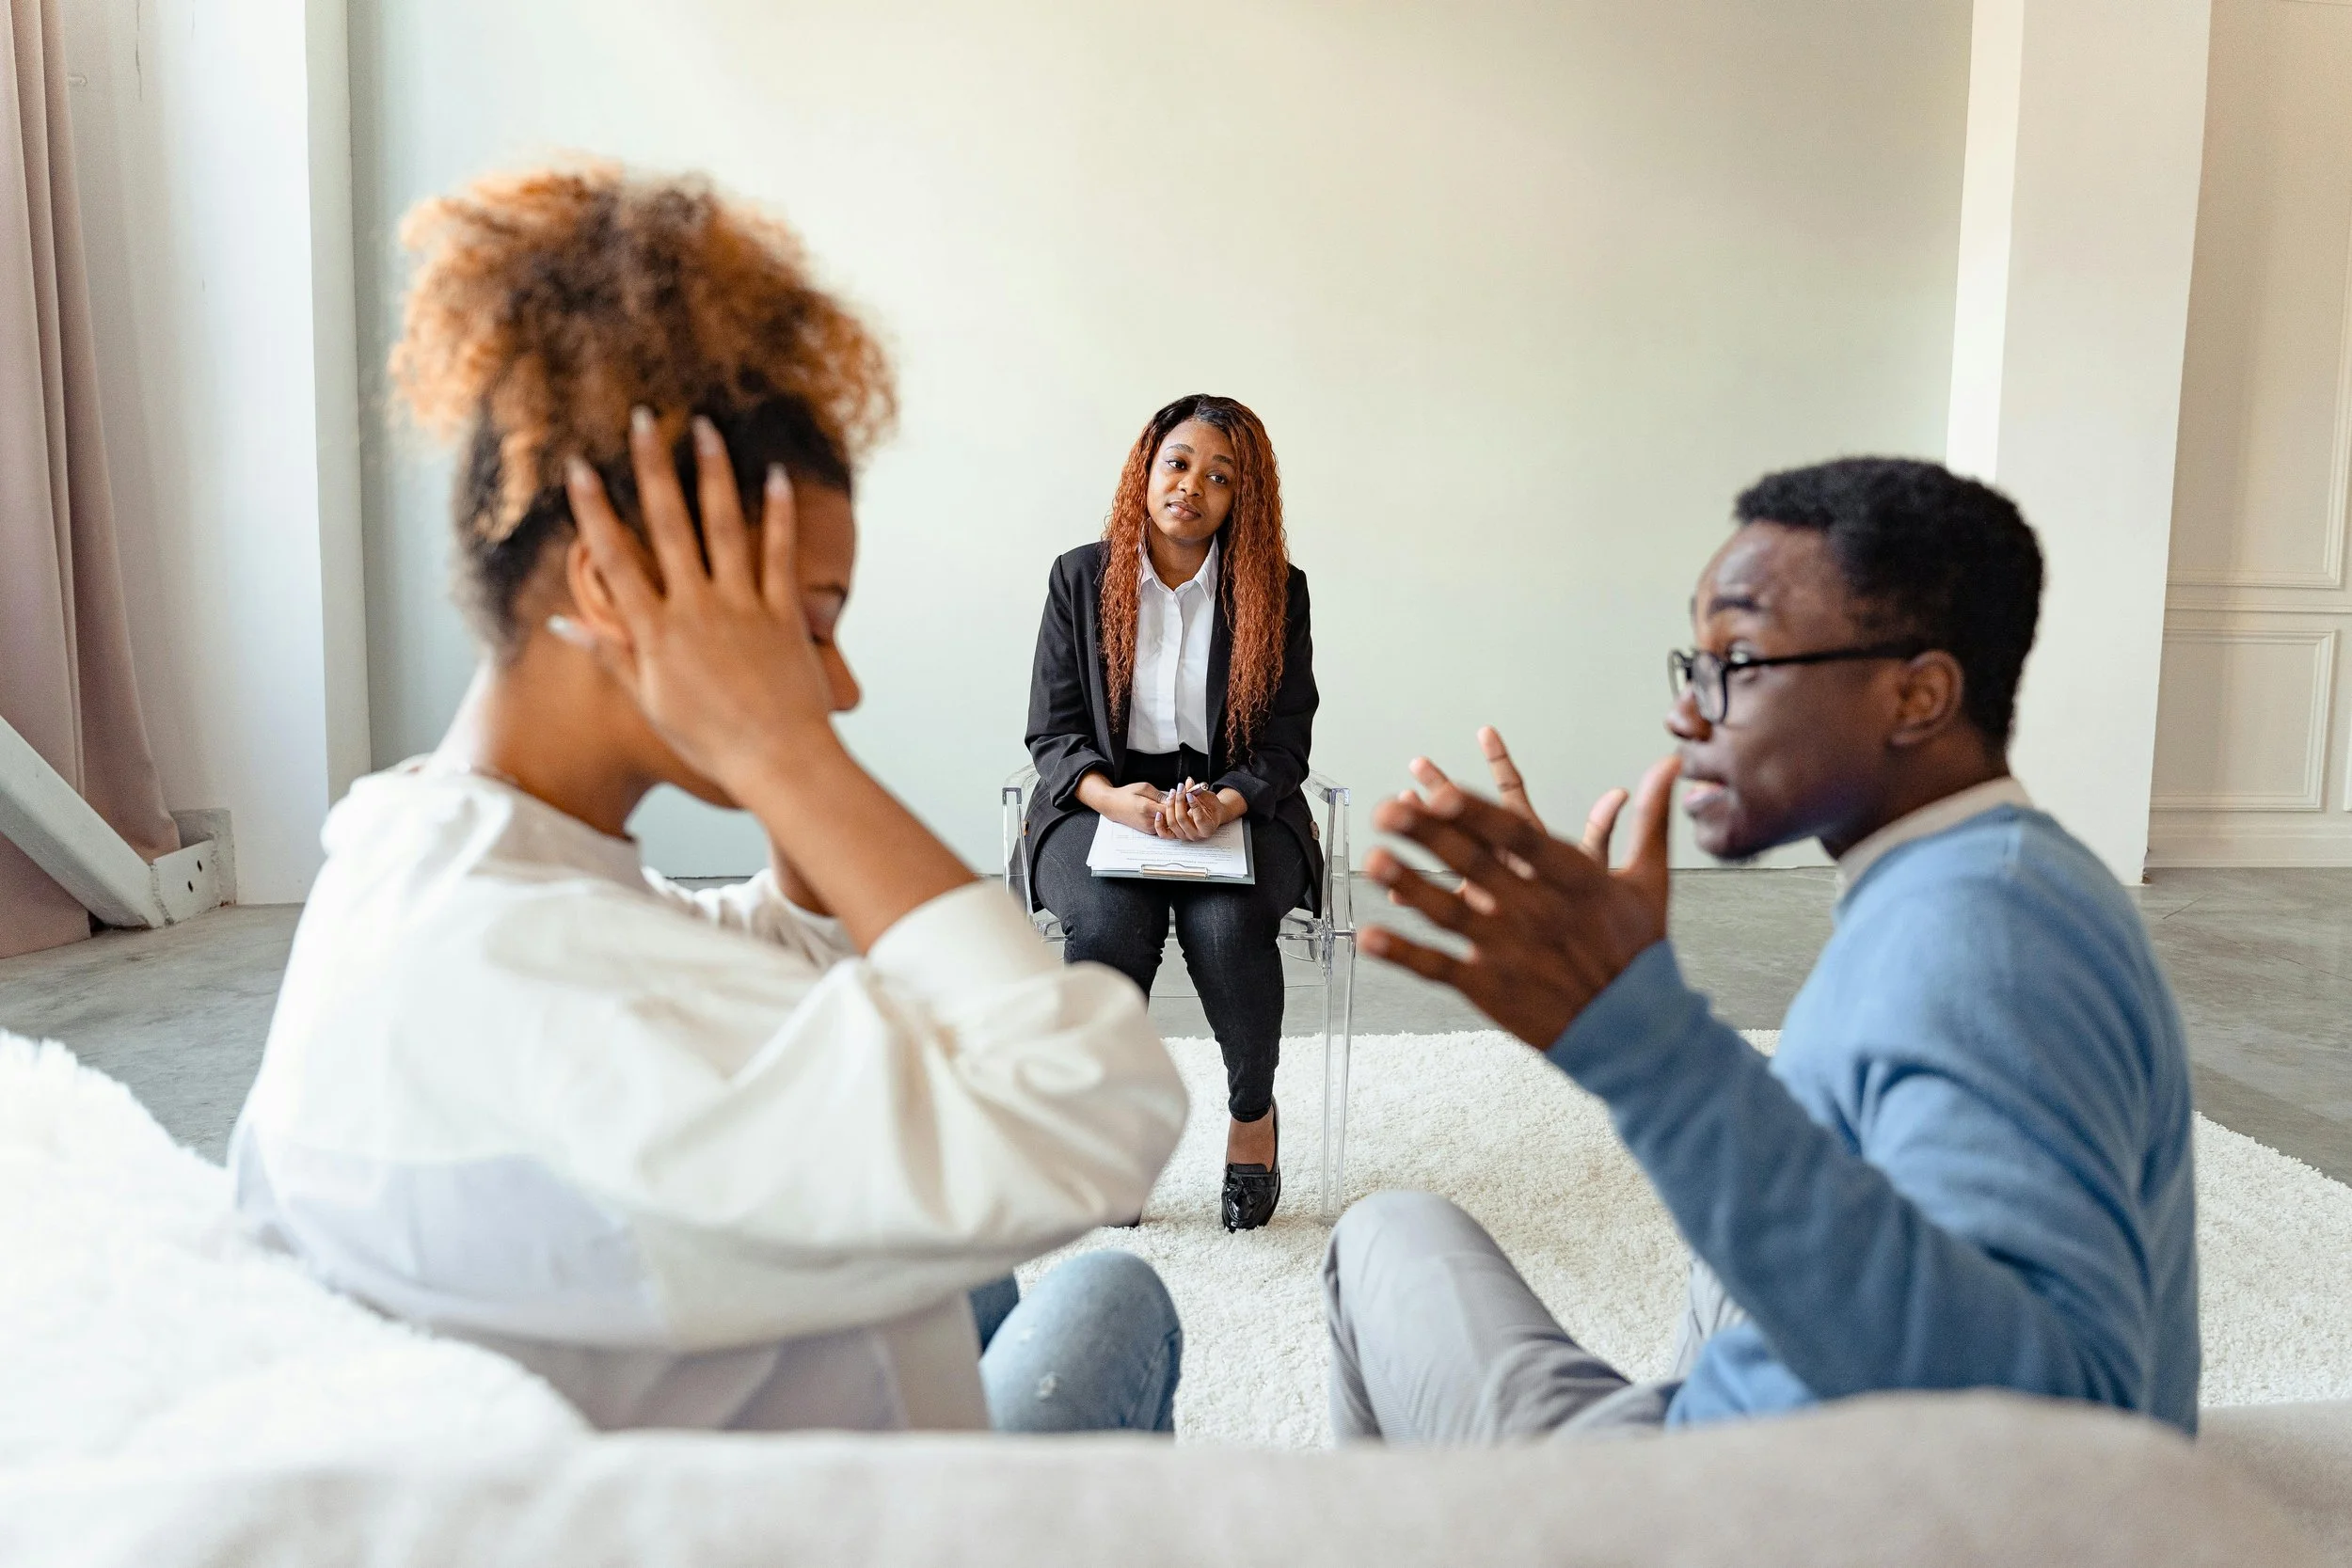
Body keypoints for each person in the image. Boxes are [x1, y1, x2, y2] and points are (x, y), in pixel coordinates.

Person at [228, 165, 1189, 1436]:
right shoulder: (527, 975)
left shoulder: (419, 841)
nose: (837, 685)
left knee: (984, 1270)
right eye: (810, 627)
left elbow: (739, 969)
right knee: (1114, 1294)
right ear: (615, 589)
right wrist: (783, 750)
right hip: (847, 1520)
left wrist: (776, 751)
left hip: (658, 1331)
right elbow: (1097, 1101)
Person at [1326, 456, 2200, 1440]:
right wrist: (1622, 988)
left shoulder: (1982, 934)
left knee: (1380, 1233)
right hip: (1780, 1440)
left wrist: (1641, 1041)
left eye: (1737, 660)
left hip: (1736, 1514)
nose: (1685, 710)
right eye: (1691, 664)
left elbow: (2046, 1423)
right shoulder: (1992, 875)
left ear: (1917, 696)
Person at [1024, 394, 1320, 1231]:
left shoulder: (1278, 592)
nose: (1192, 486)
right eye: (1178, 463)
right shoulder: (1081, 577)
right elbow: (1053, 732)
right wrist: (1117, 799)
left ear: (1242, 500)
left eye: (1219, 476)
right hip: (1099, 797)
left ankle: (1251, 1117)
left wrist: (1225, 799)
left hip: (1239, 799)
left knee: (1226, 929)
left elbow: (1287, 741)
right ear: (1146, 472)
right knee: (1109, 922)